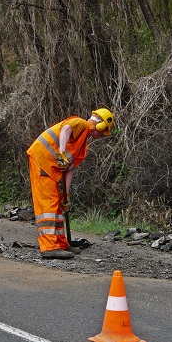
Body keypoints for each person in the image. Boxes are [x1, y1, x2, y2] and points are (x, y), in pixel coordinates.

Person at [27, 108, 114, 259]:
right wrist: (61, 153)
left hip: (52, 167)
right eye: (102, 131)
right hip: (42, 160)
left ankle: (61, 243)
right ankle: (48, 247)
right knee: (48, 204)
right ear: (99, 125)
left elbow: (69, 168)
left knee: (58, 204)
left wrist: (65, 195)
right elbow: (66, 129)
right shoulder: (80, 123)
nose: (101, 135)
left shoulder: (82, 145)